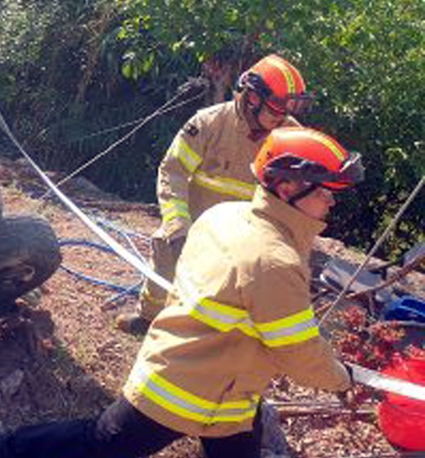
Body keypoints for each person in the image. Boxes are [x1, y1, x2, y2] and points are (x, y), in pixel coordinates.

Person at [0, 127, 363, 458]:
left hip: (229, 393)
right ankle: (13, 448)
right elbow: (299, 353)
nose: (333, 200)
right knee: (106, 445)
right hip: (181, 384)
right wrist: (343, 378)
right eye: (326, 190)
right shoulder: (273, 260)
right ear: (288, 186)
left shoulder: (226, 216)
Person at [117, 54, 311, 335]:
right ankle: (149, 317)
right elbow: (174, 171)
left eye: (286, 110)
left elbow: (300, 197)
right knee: (166, 247)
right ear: (253, 98)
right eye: (275, 109)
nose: (281, 117)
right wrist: (177, 223)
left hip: (251, 232)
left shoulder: (292, 137)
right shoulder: (209, 124)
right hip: (197, 224)